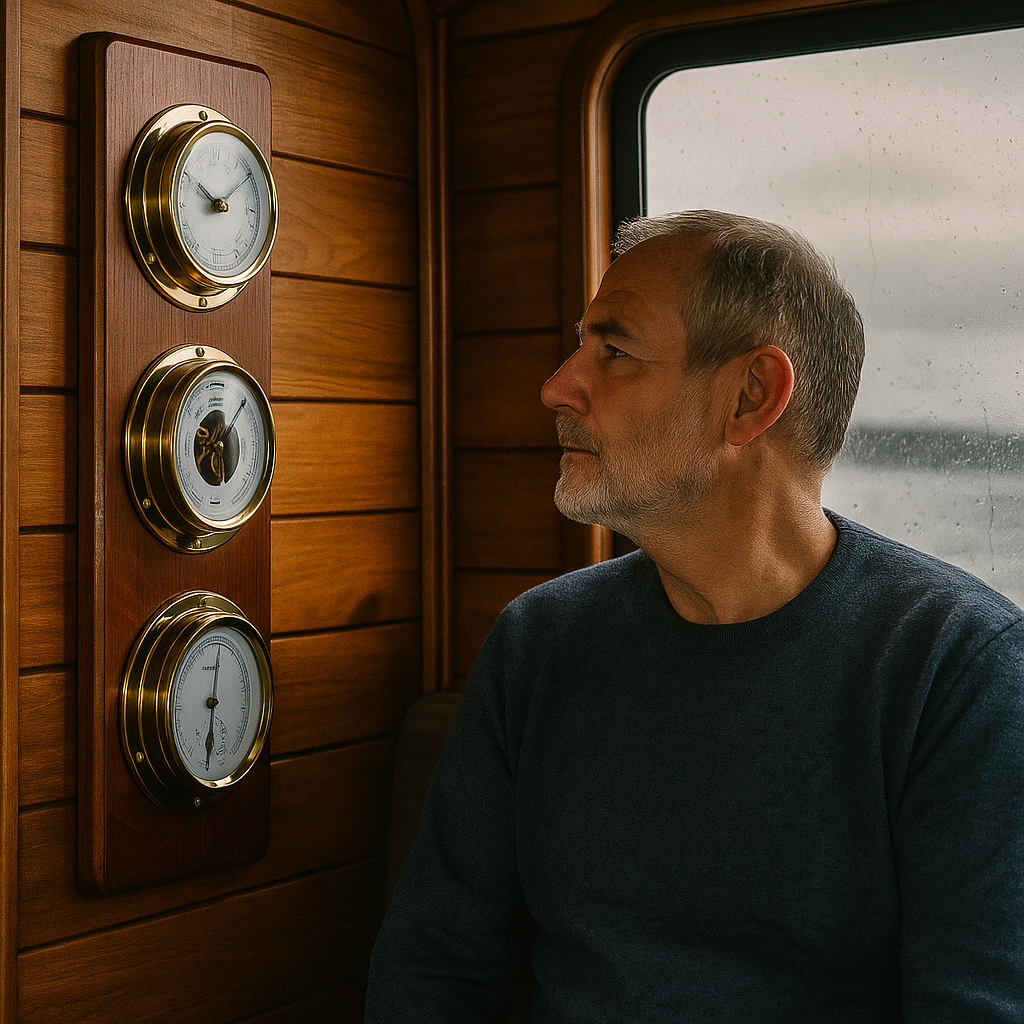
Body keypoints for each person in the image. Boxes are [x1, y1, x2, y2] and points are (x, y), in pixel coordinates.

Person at [366, 211, 1024, 1022]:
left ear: (751, 396)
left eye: (614, 351)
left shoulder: (959, 666)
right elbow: (433, 973)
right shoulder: (539, 641)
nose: (557, 386)